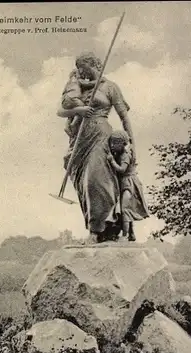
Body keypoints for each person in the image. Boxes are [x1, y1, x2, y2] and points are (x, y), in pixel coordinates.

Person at [57, 51, 136, 243]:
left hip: (101, 136)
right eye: (79, 69)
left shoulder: (110, 87)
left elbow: (124, 116)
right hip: (79, 139)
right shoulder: (77, 87)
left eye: (83, 68)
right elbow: (60, 111)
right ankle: (96, 230)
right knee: (84, 185)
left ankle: (98, 230)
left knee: (96, 181)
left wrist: (132, 144)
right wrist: (79, 110)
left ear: (93, 65)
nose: (80, 72)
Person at [107, 129, 150, 241]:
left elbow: (122, 169)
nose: (112, 145)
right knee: (126, 208)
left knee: (125, 208)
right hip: (124, 183)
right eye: (111, 143)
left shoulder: (125, 156)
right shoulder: (119, 154)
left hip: (129, 183)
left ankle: (125, 235)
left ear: (122, 144)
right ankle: (131, 234)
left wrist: (112, 161)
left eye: (115, 143)